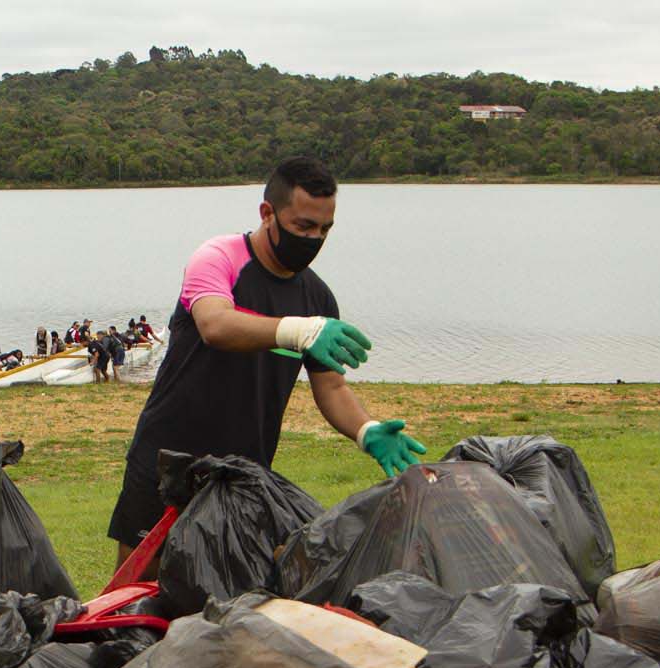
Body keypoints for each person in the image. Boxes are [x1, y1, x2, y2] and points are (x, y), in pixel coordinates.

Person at [107, 155, 423, 566]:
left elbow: (331, 387)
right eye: (303, 226)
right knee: (135, 588)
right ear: (267, 213)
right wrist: (298, 331)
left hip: (244, 472)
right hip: (168, 459)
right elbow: (215, 325)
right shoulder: (219, 257)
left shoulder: (318, 298)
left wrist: (366, 430)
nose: (314, 239)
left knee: (225, 594)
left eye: (325, 229)